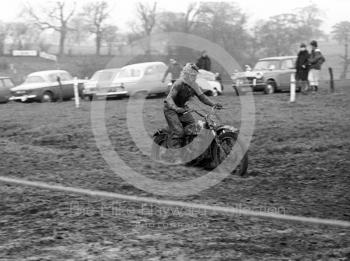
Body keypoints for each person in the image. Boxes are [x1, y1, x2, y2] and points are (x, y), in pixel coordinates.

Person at [163, 63, 222, 157]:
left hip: (182, 108)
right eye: (192, 75)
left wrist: (214, 104)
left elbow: (203, 98)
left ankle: (188, 150)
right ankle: (174, 155)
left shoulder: (194, 85)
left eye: (195, 75)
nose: (194, 77)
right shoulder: (179, 84)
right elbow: (169, 99)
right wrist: (176, 109)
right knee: (179, 131)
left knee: (193, 128)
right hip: (170, 109)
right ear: (186, 74)